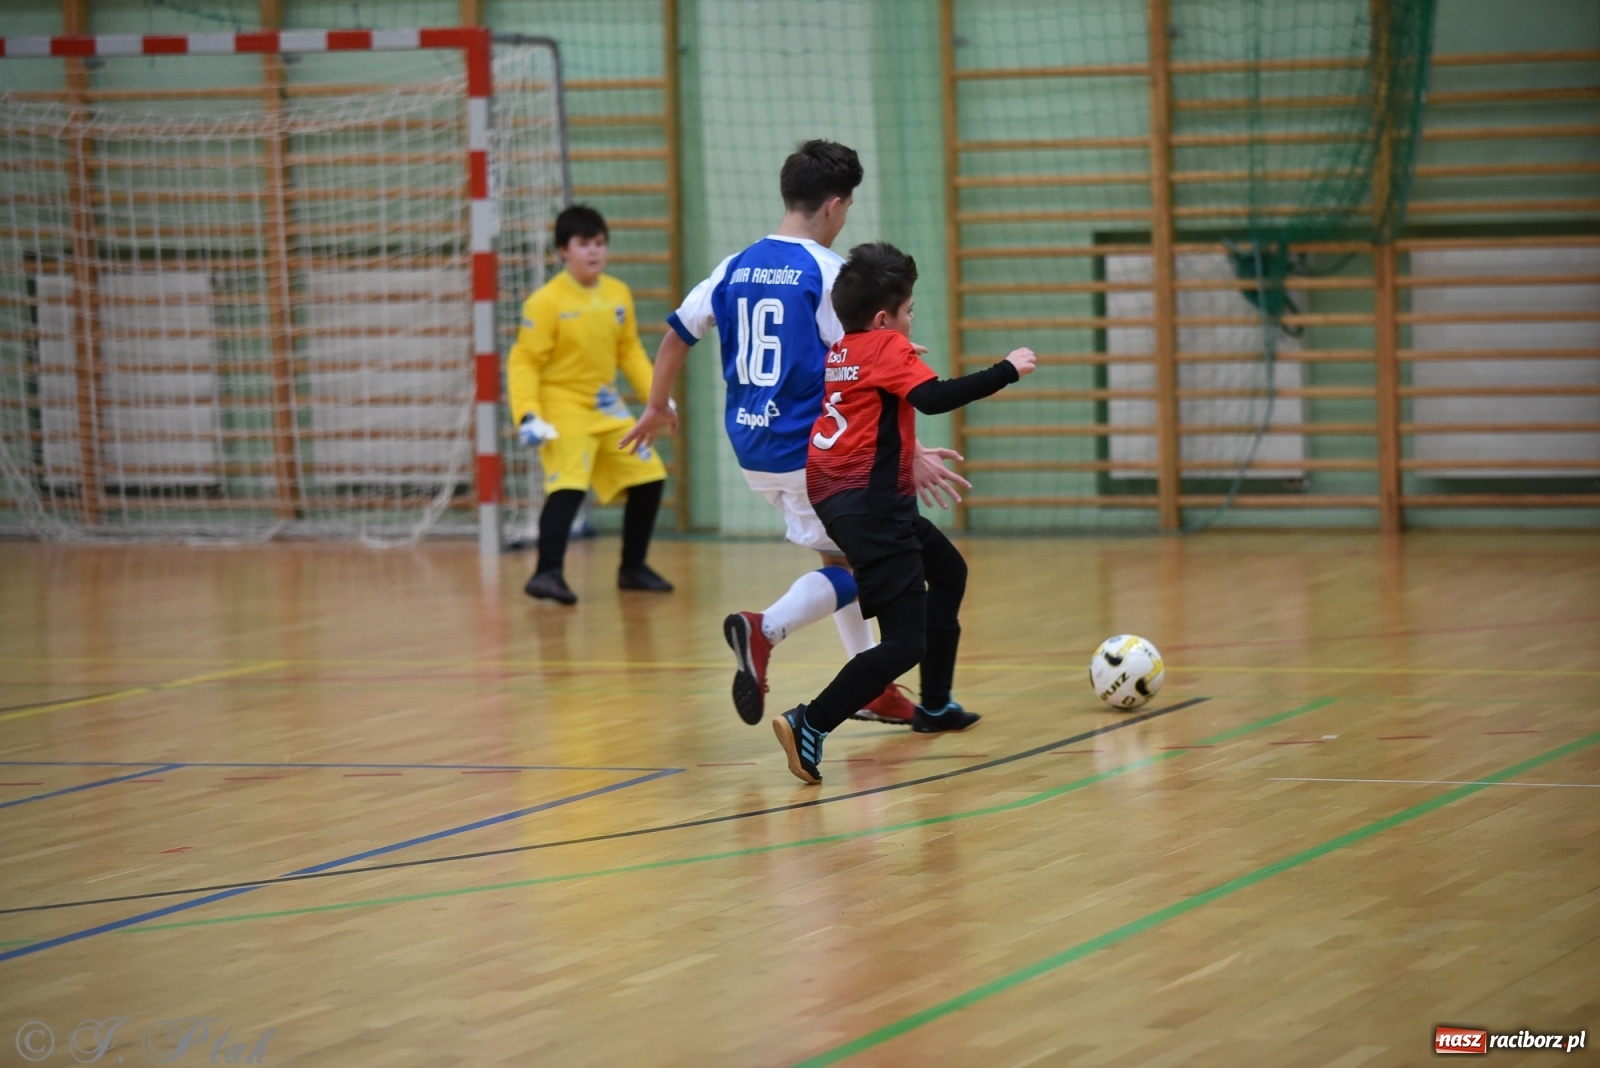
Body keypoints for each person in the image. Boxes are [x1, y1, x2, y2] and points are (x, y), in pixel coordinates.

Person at [619, 140, 968, 725]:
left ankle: (875, 690)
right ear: (834, 205)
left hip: (753, 447)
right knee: (860, 567)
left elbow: (677, 334)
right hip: (817, 450)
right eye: (849, 207)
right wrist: (904, 456)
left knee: (845, 558)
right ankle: (765, 628)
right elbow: (861, 372)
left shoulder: (735, 265)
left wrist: (658, 405)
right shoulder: (831, 275)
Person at [772, 242, 1035, 784]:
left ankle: (934, 706)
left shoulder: (845, 348)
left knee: (948, 570)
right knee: (904, 644)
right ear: (883, 317)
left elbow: (877, 406)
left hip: (847, 495)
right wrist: (1006, 369)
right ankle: (810, 721)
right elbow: (933, 398)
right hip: (869, 503)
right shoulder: (886, 345)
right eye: (909, 309)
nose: (912, 319)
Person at [506, 204, 673, 606]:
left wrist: (658, 396)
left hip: (605, 405)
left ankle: (632, 567)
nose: (594, 251)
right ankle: (547, 574)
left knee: (649, 476)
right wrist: (527, 414)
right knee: (568, 486)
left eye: (600, 243)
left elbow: (630, 351)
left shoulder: (617, 293)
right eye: (584, 244)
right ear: (563, 250)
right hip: (561, 406)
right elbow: (524, 362)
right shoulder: (545, 302)